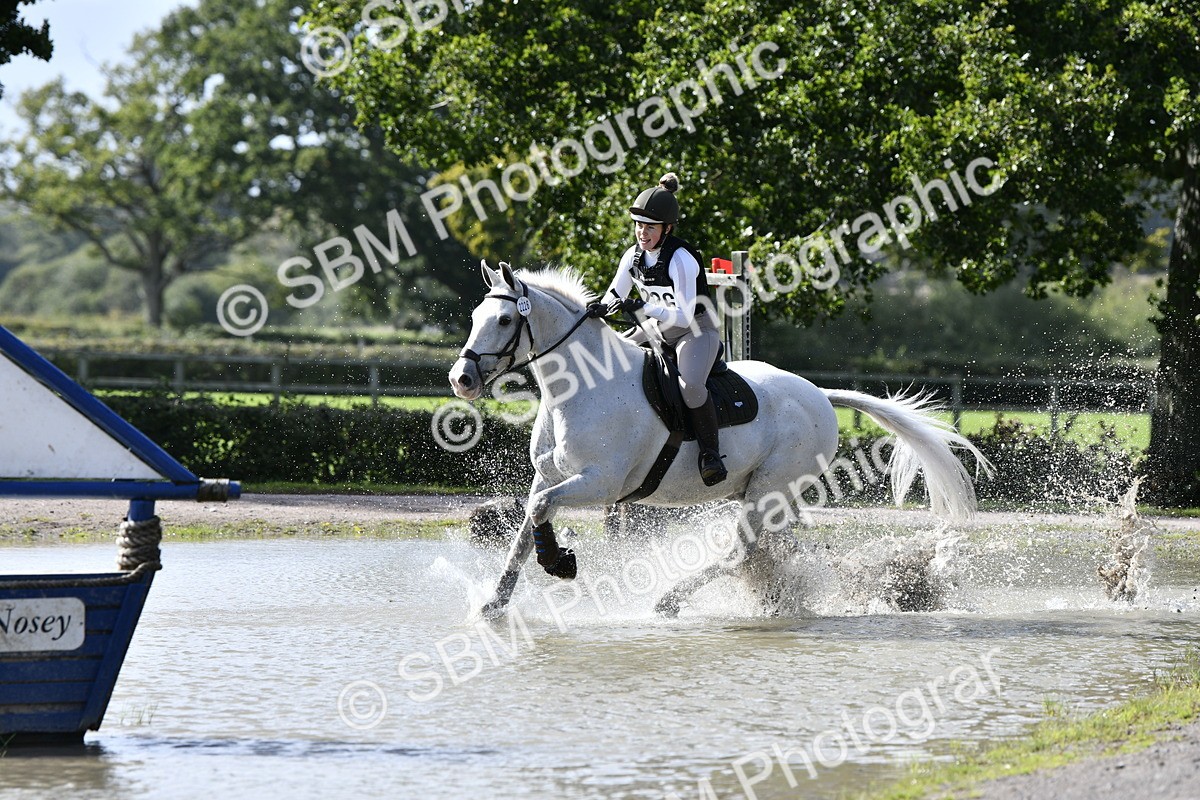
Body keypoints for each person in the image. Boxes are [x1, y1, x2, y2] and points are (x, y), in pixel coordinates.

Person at [606, 172, 728, 486]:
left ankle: (710, 454)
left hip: (695, 332)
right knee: (609, 359)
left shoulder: (682, 259)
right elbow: (614, 295)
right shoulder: (632, 256)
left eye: (650, 227)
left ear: (667, 228)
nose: (642, 233)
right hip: (657, 329)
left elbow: (684, 315)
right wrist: (596, 309)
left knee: (690, 387)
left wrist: (641, 307)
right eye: (638, 225)